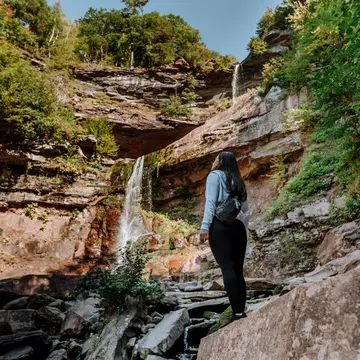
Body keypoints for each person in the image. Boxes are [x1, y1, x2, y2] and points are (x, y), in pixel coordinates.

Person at [199, 151, 250, 328]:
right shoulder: (238, 180)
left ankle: (235, 313)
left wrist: (205, 226)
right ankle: (240, 312)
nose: (213, 161)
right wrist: (243, 228)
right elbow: (246, 210)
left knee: (227, 268)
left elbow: (211, 202)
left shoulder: (214, 176)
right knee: (238, 270)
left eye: (215, 159)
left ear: (220, 162)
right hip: (238, 227)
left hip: (220, 226)